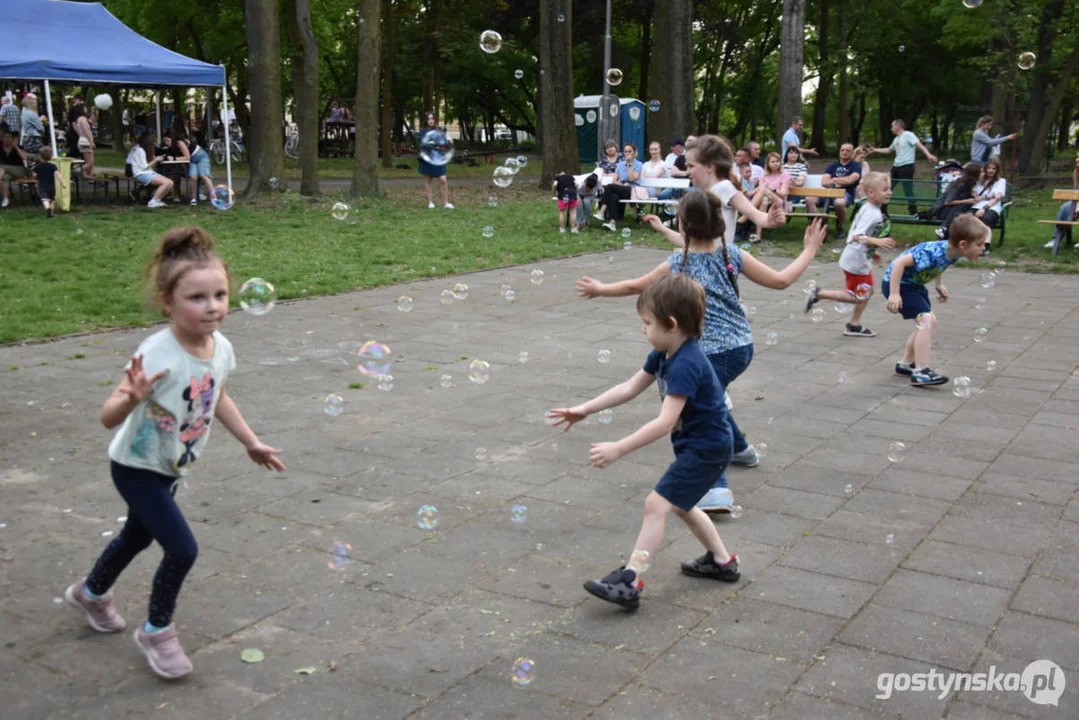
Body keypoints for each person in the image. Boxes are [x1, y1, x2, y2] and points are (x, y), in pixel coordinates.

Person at [62, 227, 286, 680]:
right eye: (197, 298)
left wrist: (251, 441)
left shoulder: (220, 347)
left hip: (171, 466)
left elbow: (217, 395)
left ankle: (90, 593)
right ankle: (157, 631)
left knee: (137, 537)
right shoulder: (156, 353)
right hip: (136, 467)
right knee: (182, 549)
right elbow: (108, 416)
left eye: (220, 295)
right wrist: (132, 397)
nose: (213, 307)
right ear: (167, 301)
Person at [576, 192, 827, 514]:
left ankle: (717, 487)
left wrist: (599, 289)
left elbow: (635, 286)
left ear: (684, 225)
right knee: (713, 397)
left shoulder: (677, 262)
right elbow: (781, 281)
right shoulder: (732, 254)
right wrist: (809, 250)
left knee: (696, 411)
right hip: (740, 347)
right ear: (720, 224)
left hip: (708, 353)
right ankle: (741, 449)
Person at [550, 273, 741, 610]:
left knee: (656, 505)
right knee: (681, 504)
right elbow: (628, 387)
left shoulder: (686, 364)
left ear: (670, 324)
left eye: (647, 322)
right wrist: (585, 409)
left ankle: (631, 581)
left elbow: (665, 421)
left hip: (707, 447)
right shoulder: (665, 353)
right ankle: (722, 562)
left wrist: (619, 447)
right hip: (698, 443)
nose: (643, 329)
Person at [884, 214, 988, 387]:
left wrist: (939, 284)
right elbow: (899, 263)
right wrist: (895, 294)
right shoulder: (932, 252)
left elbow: (940, 266)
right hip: (898, 284)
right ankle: (921, 372)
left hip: (914, 285)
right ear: (963, 244)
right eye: (979, 244)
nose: (983, 248)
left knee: (927, 321)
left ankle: (906, 365)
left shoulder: (951, 253)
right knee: (926, 320)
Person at [805, 172, 896, 337]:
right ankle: (819, 294)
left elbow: (858, 235)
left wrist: (872, 251)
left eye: (889, 188)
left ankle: (854, 324)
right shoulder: (872, 213)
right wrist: (877, 242)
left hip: (858, 257)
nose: (889, 192)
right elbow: (857, 236)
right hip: (856, 260)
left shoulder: (870, 207)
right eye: (885, 189)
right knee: (857, 296)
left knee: (867, 291)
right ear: (870, 192)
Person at [669, 134, 783, 247]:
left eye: (691, 166)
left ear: (709, 166)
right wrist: (662, 228)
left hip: (720, 259)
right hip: (702, 259)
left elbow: (753, 214)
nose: (687, 171)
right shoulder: (702, 192)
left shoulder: (725, 187)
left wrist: (769, 220)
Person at [869, 119, 937, 215]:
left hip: (907, 166)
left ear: (898, 126)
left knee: (907, 189)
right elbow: (889, 150)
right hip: (896, 167)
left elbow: (920, 146)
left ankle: (913, 212)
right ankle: (883, 210)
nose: (891, 128)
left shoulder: (908, 135)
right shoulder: (896, 139)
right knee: (888, 187)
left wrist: (928, 155)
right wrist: (875, 150)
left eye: (892, 126)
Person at [821, 142, 863, 237]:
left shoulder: (855, 166)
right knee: (810, 199)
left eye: (847, 150)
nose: (844, 152)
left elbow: (851, 180)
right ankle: (819, 226)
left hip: (846, 194)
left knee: (839, 203)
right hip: (829, 193)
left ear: (852, 153)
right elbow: (824, 182)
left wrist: (834, 179)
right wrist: (841, 181)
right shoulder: (832, 166)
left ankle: (840, 228)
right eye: (842, 150)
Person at [931, 161, 982, 239]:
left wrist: (974, 195)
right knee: (964, 205)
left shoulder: (969, 183)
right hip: (942, 210)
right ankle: (944, 228)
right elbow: (948, 202)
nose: (983, 173)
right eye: (981, 172)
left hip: (954, 211)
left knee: (965, 210)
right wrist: (967, 201)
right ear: (975, 174)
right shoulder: (959, 184)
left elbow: (968, 194)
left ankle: (945, 232)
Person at [600, 143, 643, 233]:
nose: (627, 153)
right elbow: (614, 180)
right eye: (625, 151)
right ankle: (612, 223)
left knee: (609, 187)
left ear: (634, 153)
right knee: (613, 196)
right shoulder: (620, 164)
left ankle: (602, 211)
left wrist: (630, 164)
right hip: (622, 188)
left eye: (630, 151)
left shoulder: (638, 164)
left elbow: (632, 178)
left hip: (632, 190)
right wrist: (621, 185)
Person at [749, 152, 791, 238]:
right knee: (764, 201)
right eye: (773, 162)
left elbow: (783, 195)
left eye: (777, 161)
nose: (776, 163)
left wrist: (772, 189)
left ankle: (747, 213)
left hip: (778, 201)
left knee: (764, 190)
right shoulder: (763, 176)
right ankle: (758, 235)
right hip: (766, 199)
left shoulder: (785, 175)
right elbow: (760, 191)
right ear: (768, 163)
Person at [127, 132, 174, 208]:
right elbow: (144, 167)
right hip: (141, 174)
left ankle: (158, 200)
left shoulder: (143, 150)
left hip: (148, 172)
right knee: (165, 183)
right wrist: (156, 159)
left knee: (170, 182)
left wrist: (155, 158)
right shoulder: (140, 150)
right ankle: (152, 201)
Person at [417, 112, 454, 209]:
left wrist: (433, 143)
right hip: (428, 158)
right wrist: (436, 144)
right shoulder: (423, 132)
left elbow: (445, 143)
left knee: (443, 180)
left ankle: (446, 203)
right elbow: (423, 145)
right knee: (428, 180)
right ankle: (430, 202)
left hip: (438, 158)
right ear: (426, 120)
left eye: (432, 118)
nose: (430, 120)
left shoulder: (439, 130)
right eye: (428, 119)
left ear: (435, 120)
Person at [972, 158, 1007, 254]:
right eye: (989, 168)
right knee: (968, 218)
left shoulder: (1001, 181)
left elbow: (997, 197)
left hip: (992, 207)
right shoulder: (979, 180)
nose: (991, 171)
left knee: (986, 220)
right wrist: (986, 196)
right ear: (985, 169)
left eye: (994, 168)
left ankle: (985, 246)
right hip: (976, 206)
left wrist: (984, 208)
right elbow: (975, 195)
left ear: (997, 170)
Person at [1045, 152, 1079, 251]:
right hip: (1077, 201)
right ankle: (1056, 239)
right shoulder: (1077, 173)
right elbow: (1076, 193)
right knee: (1065, 208)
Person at [782, 145, 818, 215]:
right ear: (786, 155)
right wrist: (792, 180)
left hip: (795, 193)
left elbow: (800, 182)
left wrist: (788, 181)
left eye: (796, 153)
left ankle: (785, 212)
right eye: (791, 153)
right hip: (782, 192)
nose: (794, 155)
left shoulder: (801, 166)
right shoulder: (782, 167)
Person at [32, 145, 66, 219]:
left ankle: (47, 209)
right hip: (51, 186)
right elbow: (58, 175)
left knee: (45, 199)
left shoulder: (38, 166)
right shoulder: (53, 166)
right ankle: (51, 214)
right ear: (51, 156)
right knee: (51, 200)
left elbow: (33, 175)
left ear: (40, 156)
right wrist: (62, 183)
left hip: (42, 186)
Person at [592, 140, 622, 221]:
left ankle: (602, 212)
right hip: (605, 181)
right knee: (604, 190)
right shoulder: (604, 159)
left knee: (610, 191)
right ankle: (604, 214)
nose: (610, 149)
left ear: (616, 147)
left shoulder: (621, 157)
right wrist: (606, 175)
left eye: (611, 147)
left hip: (618, 181)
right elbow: (600, 171)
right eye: (607, 148)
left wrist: (614, 175)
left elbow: (623, 170)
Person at [0, 130, 30, 208]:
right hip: (5, 172)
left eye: (10, 137)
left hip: (20, 170)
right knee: (5, 176)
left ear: (13, 139)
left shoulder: (18, 147)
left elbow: (25, 157)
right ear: (2, 138)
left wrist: (16, 147)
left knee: (2, 167)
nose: (7, 139)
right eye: (5, 137)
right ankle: (6, 198)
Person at [160, 130, 191, 203]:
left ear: (173, 139)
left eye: (167, 140)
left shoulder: (180, 143)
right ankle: (173, 194)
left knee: (175, 172)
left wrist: (174, 159)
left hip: (192, 161)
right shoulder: (168, 146)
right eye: (165, 141)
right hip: (176, 165)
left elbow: (187, 157)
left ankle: (175, 194)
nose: (166, 142)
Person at [186, 130, 215, 206]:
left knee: (204, 176)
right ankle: (193, 198)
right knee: (193, 177)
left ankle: (214, 197)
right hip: (192, 160)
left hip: (201, 157)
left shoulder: (187, 143)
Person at [71, 104, 98, 179]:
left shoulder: (80, 119)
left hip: (82, 141)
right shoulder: (83, 119)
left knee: (89, 162)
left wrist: (93, 111)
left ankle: (91, 178)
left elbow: (93, 121)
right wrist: (91, 141)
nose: (86, 108)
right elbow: (86, 131)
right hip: (86, 142)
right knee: (90, 163)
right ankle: (73, 172)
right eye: (84, 108)